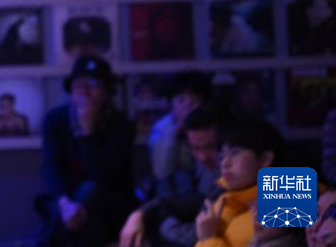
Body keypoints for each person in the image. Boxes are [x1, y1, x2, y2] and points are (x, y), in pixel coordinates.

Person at [40, 55, 136, 246]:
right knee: (87, 224)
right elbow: (50, 167)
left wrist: (88, 134)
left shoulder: (121, 125)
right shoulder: (56, 120)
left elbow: (102, 176)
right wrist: (65, 203)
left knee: (90, 190)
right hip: (67, 199)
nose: (85, 92)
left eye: (93, 84)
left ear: (108, 91)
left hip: (110, 199)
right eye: (79, 85)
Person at [120, 104, 222, 247]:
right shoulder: (201, 168)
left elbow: (195, 233)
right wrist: (141, 213)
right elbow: (163, 175)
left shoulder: (232, 175)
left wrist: (160, 216)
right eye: (196, 148)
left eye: (210, 147)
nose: (203, 157)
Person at [195, 118, 284, 247]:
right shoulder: (222, 200)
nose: (225, 163)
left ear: (265, 159)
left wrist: (209, 238)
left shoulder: (282, 212)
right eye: (222, 156)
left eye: (234, 153)